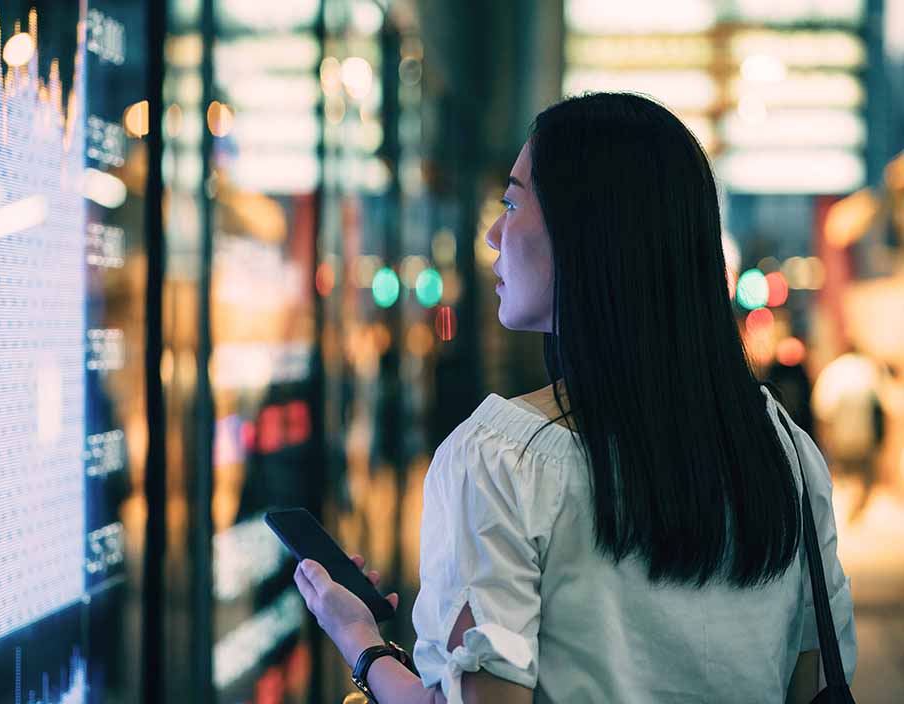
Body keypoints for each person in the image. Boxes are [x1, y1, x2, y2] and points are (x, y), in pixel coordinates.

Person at [292, 92, 857, 703]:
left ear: (587, 231)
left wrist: (360, 642)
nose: (492, 233)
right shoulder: (785, 452)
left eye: (511, 202)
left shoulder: (501, 463)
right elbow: (809, 684)